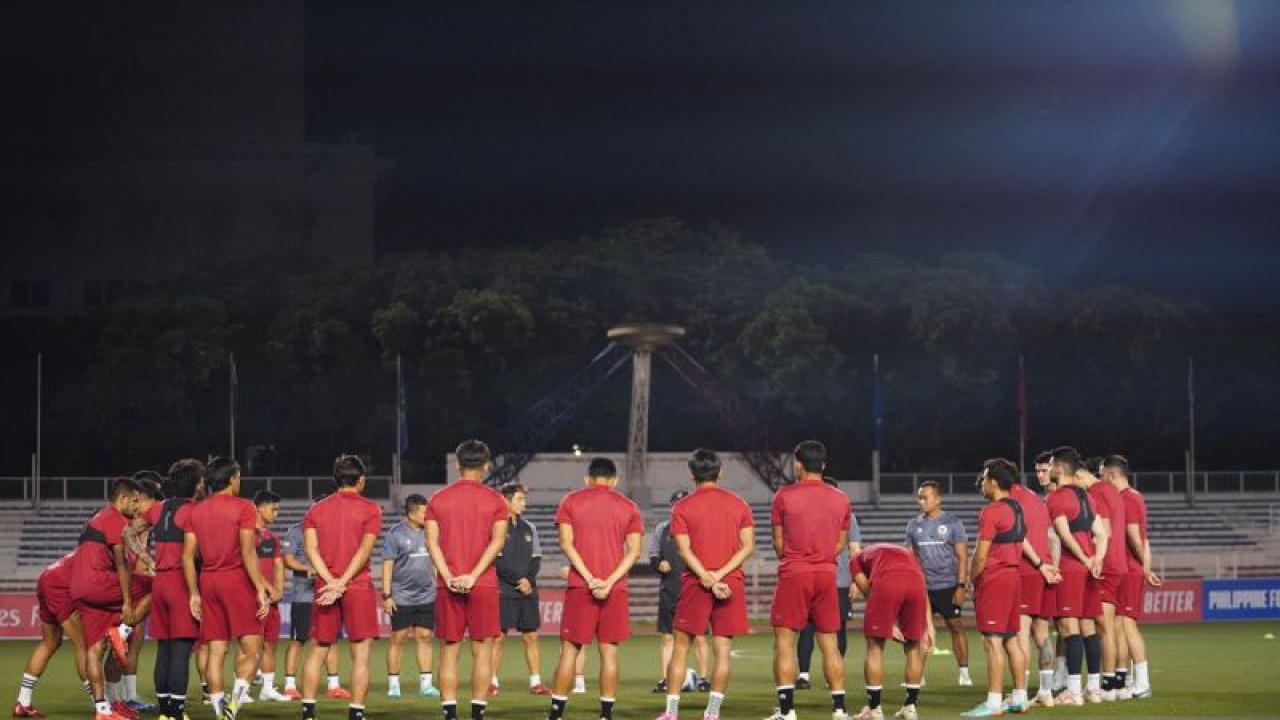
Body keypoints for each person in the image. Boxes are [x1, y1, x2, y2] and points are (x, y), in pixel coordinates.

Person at [654, 448, 754, 720]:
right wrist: (720, 576)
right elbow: (748, 547)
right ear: (720, 473)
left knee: (681, 646)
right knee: (722, 649)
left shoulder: (682, 507)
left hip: (696, 582)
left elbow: (684, 552)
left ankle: (672, 712)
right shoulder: (739, 504)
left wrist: (708, 579)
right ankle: (712, 712)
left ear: (691, 474)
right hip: (730, 581)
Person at [546, 457, 643, 720]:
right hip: (615, 588)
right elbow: (634, 551)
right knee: (609, 652)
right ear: (614, 480)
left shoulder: (571, 501)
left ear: (587, 479)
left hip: (580, 586)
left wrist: (589, 579)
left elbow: (567, 544)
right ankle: (606, 714)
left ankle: (556, 714)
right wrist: (609, 581)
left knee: (570, 650)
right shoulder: (629, 506)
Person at [766, 440, 852, 720]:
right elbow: (841, 543)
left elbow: (778, 542)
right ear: (824, 466)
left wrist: (794, 557)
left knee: (785, 642)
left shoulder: (784, 495)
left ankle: (787, 711)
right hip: (827, 574)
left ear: (798, 465)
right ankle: (839, 709)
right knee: (830, 643)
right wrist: (822, 556)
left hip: (795, 572)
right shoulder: (841, 498)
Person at [424, 440, 509, 720]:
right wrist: (473, 575)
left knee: (449, 651)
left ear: (457, 465)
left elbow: (431, 542)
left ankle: (449, 714)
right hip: (482, 583)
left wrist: (448, 576)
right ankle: (478, 714)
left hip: (448, 584)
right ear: (486, 466)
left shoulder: (437, 499)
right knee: (482, 651)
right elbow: (497, 542)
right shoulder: (496, 500)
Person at [183, 457, 270, 720]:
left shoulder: (195, 511)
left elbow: (187, 556)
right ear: (232, 479)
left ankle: (219, 709)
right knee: (251, 647)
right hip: (236, 580)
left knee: (215, 650)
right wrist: (260, 589)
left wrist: (194, 593)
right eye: (239, 476)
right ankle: (233, 705)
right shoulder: (244, 507)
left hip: (208, 581)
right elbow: (248, 553)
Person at [300, 454, 384, 720]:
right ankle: (356, 713)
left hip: (326, 587)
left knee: (317, 651)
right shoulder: (370, 508)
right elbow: (364, 550)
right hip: (356, 585)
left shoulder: (316, 510)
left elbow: (311, 550)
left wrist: (331, 581)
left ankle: (308, 711)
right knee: (360, 654)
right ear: (360, 480)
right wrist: (343, 582)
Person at [961, 459, 1033, 717]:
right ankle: (1020, 698)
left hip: (995, 578)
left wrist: (971, 579)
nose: (981, 482)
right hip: (1014, 577)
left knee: (992, 641)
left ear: (993, 481)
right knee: (1011, 639)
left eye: (983, 477)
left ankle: (993, 701)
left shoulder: (991, 511)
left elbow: (981, 555)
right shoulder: (1017, 507)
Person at [134, 458, 204, 720]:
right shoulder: (194, 511)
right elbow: (193, 555)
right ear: (197, 484)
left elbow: (129, 533)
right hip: (181, 583)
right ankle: (177, 712)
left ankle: (164, 712)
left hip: (160, 583)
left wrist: (147, 558)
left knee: (164, 649)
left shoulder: (159, 508)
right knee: (181, 650)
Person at [72, 476, 144, 720]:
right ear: (122, 498)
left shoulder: (96, 518)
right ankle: (122, 631)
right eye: (134, 501)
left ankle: (103, 708)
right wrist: (127, 602)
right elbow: (122, 563)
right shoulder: (114, 517)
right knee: (160, 585)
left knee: (94, 649)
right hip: (98, 583)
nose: (136, 506)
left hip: (80, 589)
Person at [1045, 447, 1107, 706]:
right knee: (1088, 628)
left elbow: (1064, 536)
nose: (1048, 470)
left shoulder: (1057, 497)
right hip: (1090, 568)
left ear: (1059, 468)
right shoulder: (1087, 497)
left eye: (1049, 465)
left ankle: (1073, 691)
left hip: (1071, 568)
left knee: (1069, 628)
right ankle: (1093, 688)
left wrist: (1083, 559)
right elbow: (1102, 534)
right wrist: (1096, 560)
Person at [848, 544, 934, 720]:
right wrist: (929, 626)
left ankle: (874, 709)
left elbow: (869, 592)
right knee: (914, 647)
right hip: (916, 585)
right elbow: (922, 589)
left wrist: (887, 623)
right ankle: (910, 707)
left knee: (875, 646)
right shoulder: (903, 553)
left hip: (888, 583)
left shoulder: (856, 559)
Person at [1102, 455, 1160, 699]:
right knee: (1118, 625)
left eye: (1103, 476)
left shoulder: (1128, 499)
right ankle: (1124, 680)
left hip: (1129, 569)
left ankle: (1143, 682)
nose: (1101, 481)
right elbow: (1144, 540)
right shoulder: (1131, 497)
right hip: (1127, 568)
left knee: (1127, 624)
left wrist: (1145, 569)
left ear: (1113, 475)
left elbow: (1136, 537)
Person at [904, 481, 970, 686]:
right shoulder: (913, 525)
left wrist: (961, 585)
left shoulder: (953, 523)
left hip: (948, 585)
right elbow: (910, 556)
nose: (921, 501)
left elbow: (962, 556)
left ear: (938, 499)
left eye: (926, 497)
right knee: (919, 630)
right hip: (923, 587)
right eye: (920, 497)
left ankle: (964, 672)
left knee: (956, 627)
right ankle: (918, 675)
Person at [797, 479, 861, 692]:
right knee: (824, 629)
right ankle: (808, 675)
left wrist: (856, 580)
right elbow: (854, 550)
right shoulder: (846, 515)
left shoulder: (845, 516)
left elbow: (855, 552)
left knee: (828, 629)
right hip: (833, 579)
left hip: (828, 579)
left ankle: (816, 675)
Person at [13, 550, 89, 718]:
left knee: (50, 643)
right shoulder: (112, 546)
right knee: (85, 644)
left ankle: (22, 703)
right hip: (61, 585)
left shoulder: (91, 542)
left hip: (48, 576)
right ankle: (101, 704)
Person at [648, 490, 710, 695]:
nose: (678, 507)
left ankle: (703, 678)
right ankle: (665, 679)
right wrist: (659, 564)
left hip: (695, 589)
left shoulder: (698, 527)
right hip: (670, 590)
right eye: (675, 503)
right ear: (671, 507)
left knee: (700, 637)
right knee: (667, 637)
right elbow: (653, 556)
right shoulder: (661, 529)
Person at [492, 483, 550, 696]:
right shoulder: (495, 526)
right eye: (519, 499)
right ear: (505, 501)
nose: (523, 504)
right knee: (499, 637)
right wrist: (520, 580)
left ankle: (536, 682)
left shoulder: (530, 528)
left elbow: (536, 558)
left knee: (531, 636)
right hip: (504, 590)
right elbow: (495, 560)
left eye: (524, 499)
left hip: (527, 590)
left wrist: (529, 580)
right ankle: (492, 682)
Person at [280, 518, 347, 701]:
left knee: (331, 640)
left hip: (328, 596)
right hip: (304, 596)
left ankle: (334, 685)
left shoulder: (333, 531)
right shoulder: (296, 531)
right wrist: (307, 569)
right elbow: (288, 559)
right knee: (298, 640)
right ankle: (290, 686)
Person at [382, 493, 440, 699]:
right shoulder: (395, 534)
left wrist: (439, 586)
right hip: (402, 596)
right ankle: (394, 684)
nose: (428, 514)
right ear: (412, 512)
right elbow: (387, 566)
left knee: (425, 637)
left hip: (427, 595)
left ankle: (426, 684)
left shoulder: (430, 532)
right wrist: (387, 595)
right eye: (425, 511)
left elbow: (435, 561)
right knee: (398, 638)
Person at [1080, 457, 1127, 701]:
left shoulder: (1096, 493)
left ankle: (1106, 686)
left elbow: (1104, 531)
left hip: (1106, 566)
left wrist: (1092, 557)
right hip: (1119, 563)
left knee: (1104, 628)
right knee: (1114, 627)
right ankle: (1119, 682)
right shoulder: (1110, 489)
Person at [251, 491, 289, 702]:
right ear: (259, 508)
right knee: (250, 645)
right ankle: (244, 689)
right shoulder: (248, 535)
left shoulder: (272, 538)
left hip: (272, 598)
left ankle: (267, 688)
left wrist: (279, 589)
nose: (276, 512)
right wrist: (267, 588)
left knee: (271, 644)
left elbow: (278, 564)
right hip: (254, 597)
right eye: (273, 508)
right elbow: (251, 566)